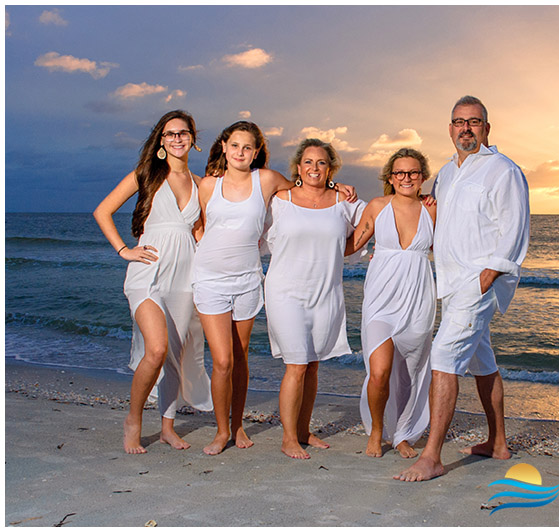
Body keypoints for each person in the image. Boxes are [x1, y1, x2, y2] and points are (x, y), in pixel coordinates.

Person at [395, 96, 530, 481]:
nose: (465, 128)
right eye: (458, 122)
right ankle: (498, 442)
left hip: (476, 282)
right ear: (450, 128)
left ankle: (433, 456)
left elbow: (515, 226)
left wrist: (490, 274)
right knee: (482, 362)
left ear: (487, 128)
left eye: (474, 122)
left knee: (443, 356)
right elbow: (436, 216)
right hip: (450, 283)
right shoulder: (446, 173)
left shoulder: (503, 170)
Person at [93, 109, 213, 454]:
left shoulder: (198, 181)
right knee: (157, 348)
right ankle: (133, 419)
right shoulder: (145, 174)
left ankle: (167, 428)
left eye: (183, 133)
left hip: (185, 274)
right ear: (161, 141)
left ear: (193, 138)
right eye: (170, 133)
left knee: (175, 352)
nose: (177, 138)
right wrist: (123, 250)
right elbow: (102, 211)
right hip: (148, 273)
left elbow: (200, 230)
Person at [192, 121, 293, 456]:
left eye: (247, 147)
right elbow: (199, 226)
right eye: (234, 145)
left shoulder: (265, 180)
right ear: (224, 146)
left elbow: (306, 194)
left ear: (256, 151)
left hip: (248, 280)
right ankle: (222, 431)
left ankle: (238, 425)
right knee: (222, 361)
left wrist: (339, 187)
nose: (240, 153)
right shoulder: (208, 185)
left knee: (240, 356)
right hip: (210, 280)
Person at [263, 138, 366, 459]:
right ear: (297, 167)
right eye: (308, 162)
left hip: (325, 292)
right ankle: (288, 437)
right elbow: (248, 227)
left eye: (322, 163)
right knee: (296, 364)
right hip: (285, 292)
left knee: (312, 365)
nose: (314, 168)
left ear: (331, 169)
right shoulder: (279, 200)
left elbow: (373, 222)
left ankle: (304, 430)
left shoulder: (344, 202)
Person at [346, 148, 436, 459]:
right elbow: (352, 245)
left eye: (413, 172)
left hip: (417, 300)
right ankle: (376, 431)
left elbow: (452, 251)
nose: (406, 178)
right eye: (400, 172)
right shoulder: (377, 207)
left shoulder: (432, 211)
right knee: (380, 370)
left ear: (422, 177)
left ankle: (402, 434)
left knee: (411, 372)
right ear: (390, 177)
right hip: (381, 299)